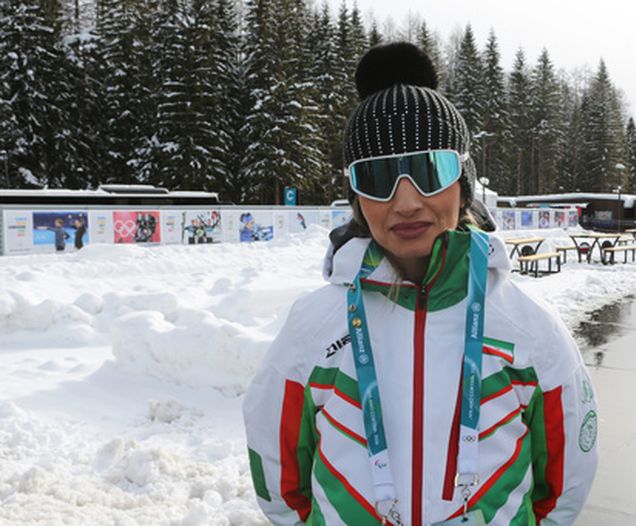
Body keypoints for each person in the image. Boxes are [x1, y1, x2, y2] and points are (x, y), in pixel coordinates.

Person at [243, 43, 597, 526]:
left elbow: (563, 485)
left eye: (430, 170)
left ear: (463, 183)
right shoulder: (315, 326)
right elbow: (279, 475)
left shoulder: (528, 328)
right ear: (355, 197)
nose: (405, 202)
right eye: (378, 176)